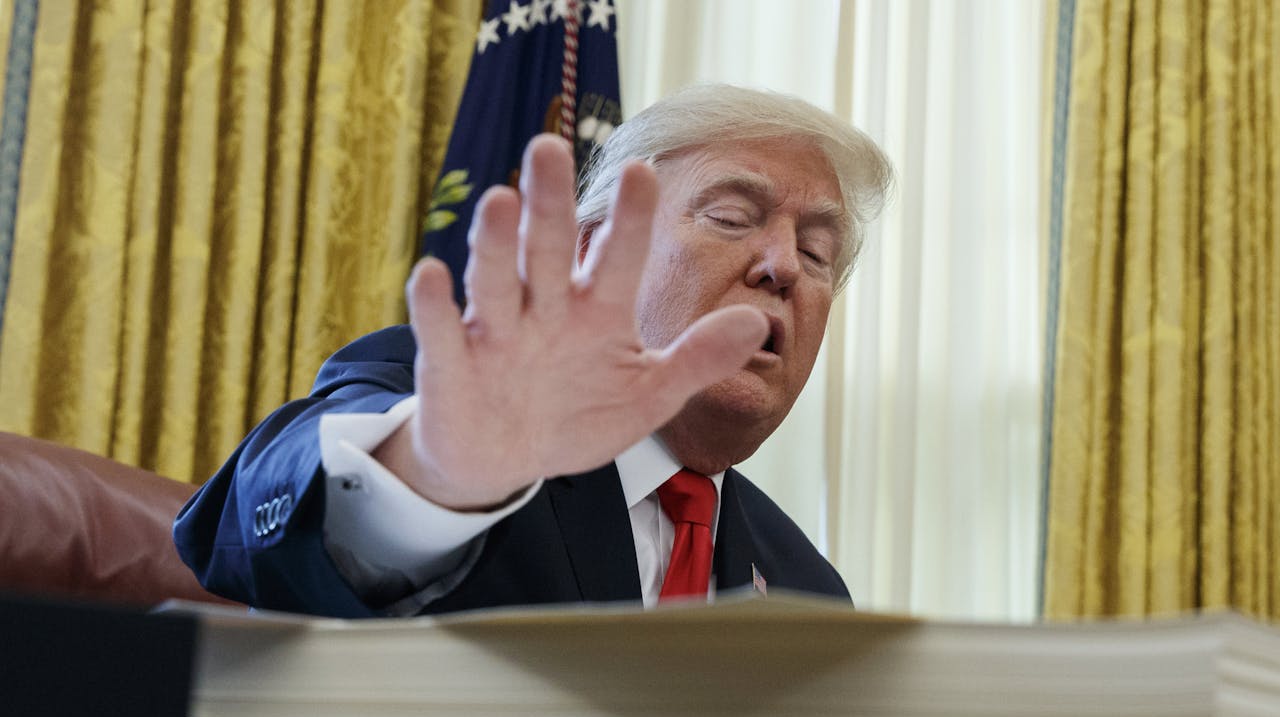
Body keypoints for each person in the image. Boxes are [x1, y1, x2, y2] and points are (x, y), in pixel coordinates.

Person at [174, 84, 894, 618]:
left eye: (817, 251)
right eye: (734, 217)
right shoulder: (436, 403)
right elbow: (246, 519)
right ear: (591, 250)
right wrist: (433, 476)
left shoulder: (808, 590)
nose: (785, 266)